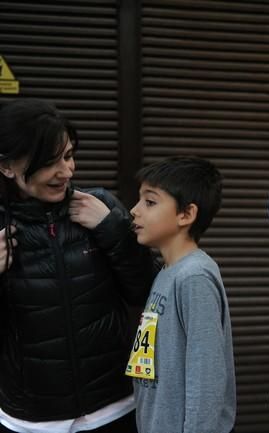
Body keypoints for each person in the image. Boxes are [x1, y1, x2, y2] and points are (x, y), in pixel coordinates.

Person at [0, 99, 157, 433]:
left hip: (115, 408)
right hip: (29, 421)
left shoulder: (100, 207)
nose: (66, 172)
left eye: (68, 156)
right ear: (7, 166)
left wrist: (113, 230)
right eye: (49, 162)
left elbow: (146, 291)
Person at [127, 156, 235, 433]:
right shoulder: (167, 272)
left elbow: (206, 376)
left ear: (186, 214)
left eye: (149, 202)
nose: (134, 210)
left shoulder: (194, 277)